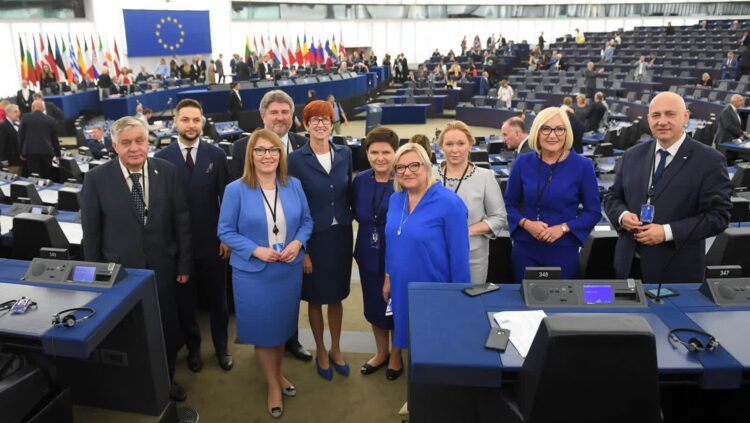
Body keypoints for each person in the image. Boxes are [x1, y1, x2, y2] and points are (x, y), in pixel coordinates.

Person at [81, 116, 192, 402]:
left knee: (164, 327)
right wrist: (93, 275)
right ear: (115, 145)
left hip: (162, 269)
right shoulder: (96, 179)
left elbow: (182, 222)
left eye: (140, 141)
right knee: (127, 332)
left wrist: (183, 264)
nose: (134, 148)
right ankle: (135, 385)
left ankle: (166, 379)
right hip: (119, 274)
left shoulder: (167, 172)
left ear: (148, 142)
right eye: (126, 143)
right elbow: (91, 232)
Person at [218, 129, 312, 418]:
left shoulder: (293, 184)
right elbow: (225, 231)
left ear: (280, 155)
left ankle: (278, 374)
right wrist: (255, 250)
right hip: (253, 273)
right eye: (260, 150)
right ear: (251, 155)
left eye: (272, 150)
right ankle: (273, 384)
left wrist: (298, 243)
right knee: (263, 330)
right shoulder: (236, 189)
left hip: (287, 269)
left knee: (282, 327)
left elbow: (307, 221)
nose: (267, 156)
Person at [604, 92, 732, 284]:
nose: (662, 121)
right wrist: (622, 216)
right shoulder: (632, 155)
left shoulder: (710, 160)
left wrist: (666, 232)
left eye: (670, 114)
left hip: (676, 271)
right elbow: (613, 197)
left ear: (685, 117)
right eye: (656, 115)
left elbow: (719, 216)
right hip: (627, 266)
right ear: (648, 119)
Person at [154, 99, 233, 373]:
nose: (191, 125)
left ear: (203, 122)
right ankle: (194, 348)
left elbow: (228, 200)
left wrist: (226, 238)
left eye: (196, 120)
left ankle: (222, 347)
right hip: (179, 249)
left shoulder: (217, 155)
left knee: (218, 301)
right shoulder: (161, 160)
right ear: (174, 122)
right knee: (185, 303)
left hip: (214, 244)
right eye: (185, 120)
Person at [384, 143, 470, 379]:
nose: (407, 171)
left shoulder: (449, 203)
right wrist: (388, 276)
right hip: (402, 286)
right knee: (409, 336)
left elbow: (460, 257)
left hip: (434, 288)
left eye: (414, 165)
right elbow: (392, 242)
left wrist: (459, 297)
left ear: (427, 166)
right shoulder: (395, 199)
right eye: (400, 167)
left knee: (432, 342)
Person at [288, 100, 353, 381]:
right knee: (315, 298)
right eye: (314, 120)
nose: (320, 124)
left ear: (332, 122)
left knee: (337, 296)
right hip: (313, 238)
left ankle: (336, 348)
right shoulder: (294, 159)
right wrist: (303, 250)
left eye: (325, 119)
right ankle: (321, 351)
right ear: (305, 125)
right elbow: (293, 206)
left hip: (341, 235)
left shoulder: (346, 153)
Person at [504, 107, 601, 283]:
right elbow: (509, 204)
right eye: (546, 128)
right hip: (526, 247)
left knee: (560, 305)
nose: (552, 135)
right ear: (537, 132)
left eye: (559, 129)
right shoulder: (522, 163)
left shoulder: (583, 166)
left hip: (563, 249)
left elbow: (593, 212)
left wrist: (563, 228)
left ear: (567, 132)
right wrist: (527, 224)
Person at [352, 127, 399, 377]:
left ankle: (397, 355)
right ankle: (381, 352)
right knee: (373, 306)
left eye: (386, 152)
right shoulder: (360, 180)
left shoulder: (404, 180)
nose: (380, 158)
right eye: (374, 152)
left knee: (395, 305)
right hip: (367, 254)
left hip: (397, 255)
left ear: (395, 153)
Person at [434, 121, 507, 284]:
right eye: (449, 144)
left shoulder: (485, 177)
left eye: (461, 143)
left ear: (470, 145)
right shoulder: (429, 177)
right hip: (434, 256)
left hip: (472, 258)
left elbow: (499, 218)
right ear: (441, 147)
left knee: (469, 304)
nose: (455, 149)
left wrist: (463, 232)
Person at [230, 90, 308, 181]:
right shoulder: (242, 147)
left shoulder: (305, 144)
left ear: (291, 115)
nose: (280, 118)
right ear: (263, 116)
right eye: (274, 112)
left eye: (285, 112)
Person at [18, 100, 60, 179]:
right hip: (46, 151)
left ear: (32, 108)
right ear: (43, 109)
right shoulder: (50, 120)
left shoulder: (25, 118)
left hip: (30, 152)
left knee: (34, 176)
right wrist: (58, 154)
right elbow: (54, 139)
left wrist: (21, 152)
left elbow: (20, 136)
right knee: (46, 176)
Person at [0, 104, 22, 175]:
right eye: (15, 112)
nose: (18, 114)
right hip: (10, 163)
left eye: (18, 111)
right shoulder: (3, 125)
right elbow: (1, 143)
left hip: (19, 161)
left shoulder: (18, 124)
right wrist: (3, 160)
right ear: (8, 113)